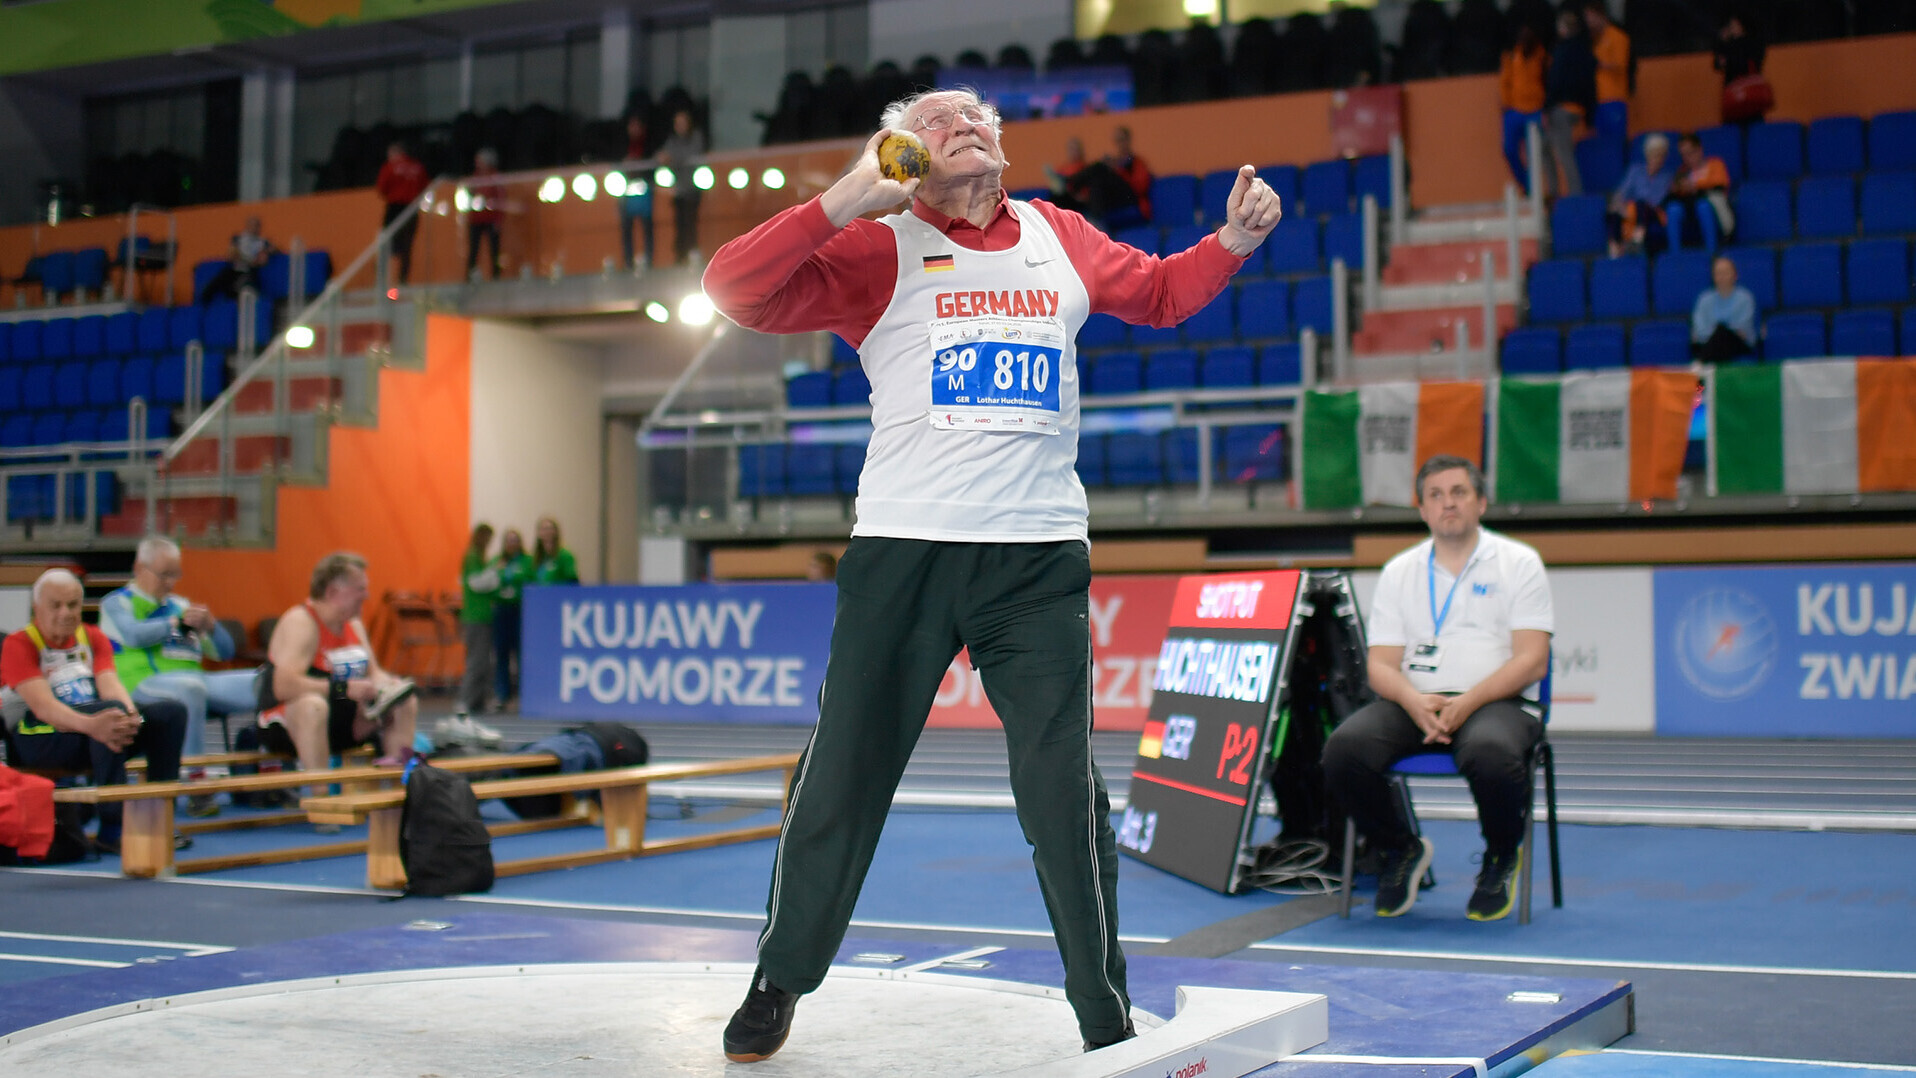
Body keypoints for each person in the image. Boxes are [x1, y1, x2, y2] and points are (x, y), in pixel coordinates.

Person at [701, 86, 1281, 1063]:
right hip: (903, 555)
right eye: (937, 119)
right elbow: (733, 288)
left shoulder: (1056, 234)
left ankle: (1104, 1014)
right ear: (899, 152)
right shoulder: (876, 248)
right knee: (841, 778)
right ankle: (779, 976)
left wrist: (1229, 240)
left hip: (1035, 561)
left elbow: (1163, 293)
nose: (966, 122)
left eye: (978, 115)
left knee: (1063, 793)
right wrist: (851, 193)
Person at [1320, 455, 1553, 922]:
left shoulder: (1519, 562)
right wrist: (1412, 699)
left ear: (1481, 501)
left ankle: (1501, 855)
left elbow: (1532, 658)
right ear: (1423, 509)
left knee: (1488, 752)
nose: (1448, 503)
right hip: (1415, 700)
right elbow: (1381, 667)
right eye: (1436, 495)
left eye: (1459, 492)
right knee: (1342, 751)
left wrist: (1469, 701)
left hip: (1496, 702)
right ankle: (1399, 848)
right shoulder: (1400, 571)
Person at [1, 569, 189, 855]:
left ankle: (157, 818)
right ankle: (112, 828)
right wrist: (95, 724)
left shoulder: (92, 636)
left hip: (93, 730)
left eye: (73, 605)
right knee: (109, 714)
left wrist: (131, 719)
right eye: (56, 605)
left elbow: (110, 685)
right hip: (38, 736)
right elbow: (45, 707)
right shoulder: (19, 644)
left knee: (169, 713)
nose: (66, 612)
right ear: (37, 608)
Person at [98, 536, 257, 818]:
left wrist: (210, 626)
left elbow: (224, 652)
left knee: (264, 681)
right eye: (164, 574)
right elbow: (134, 634)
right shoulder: (116, 604)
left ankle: (263, 769)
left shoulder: (181, 605)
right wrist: (174, 623)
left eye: (175, 574)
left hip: (195, 681)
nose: (170, 583)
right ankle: (196, 783)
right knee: (191, 689)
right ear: (139, 568)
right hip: (141, 686)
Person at [256, 553, 418, 784]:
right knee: (313, 706)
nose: (366, 595)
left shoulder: (353, 625)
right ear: (332, 592)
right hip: (289, 722)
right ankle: (324, 809)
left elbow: (375, 673)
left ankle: (398, 789)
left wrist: (389, 686)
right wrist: (343, 689)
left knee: (404, 701)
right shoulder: (301, 622)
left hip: (344, 721)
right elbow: (284, 686)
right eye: (359, 589)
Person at [1540, 7, 1595, 198]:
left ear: (1563, 29)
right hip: (1578, 108)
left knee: (1564, 154)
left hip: (1561, 109)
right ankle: (1554, 191)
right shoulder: (1585, 50)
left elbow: (1554, 81)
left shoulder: (1561, 51)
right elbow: (1590, 85)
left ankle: (1574, 194)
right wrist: (1589, 117)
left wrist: (1546, 108)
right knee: (1544, 147)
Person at [456, 524, 499, 719]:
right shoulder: (473, 557)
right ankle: (464, 701)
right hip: (475, 617)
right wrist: (494, 572)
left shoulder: (480, 558)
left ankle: (478, 700)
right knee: (476, 661)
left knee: (484, 662)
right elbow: (477, 583)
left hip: (483, 615)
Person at [1605, 133, 1674, 257]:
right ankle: (1614, 250)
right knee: (1614, 211)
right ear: (1647, 154)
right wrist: (1620, 205)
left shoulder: (1667, 177)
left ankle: (1638, 239)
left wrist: (1632, 208)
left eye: (1660, 155)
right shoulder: (1635, 170)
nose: (1657, 159)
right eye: (1654, 154)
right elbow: (1622, 192)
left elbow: (1657, 200)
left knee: (1641, 203)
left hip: (1654, 212)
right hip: (1632, 210)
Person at [1664, 133, 1733, 251]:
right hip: (1688, 208)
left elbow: (1720, 184)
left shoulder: (1715, 164)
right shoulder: (1682, 172)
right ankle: (1675, 254)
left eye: (1690, 153)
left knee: (1703, 206)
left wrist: (1695, 186)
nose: (1687, 158)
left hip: (1711, 206)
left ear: (1699, 150)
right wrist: (1678, 188)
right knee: (1673, 209)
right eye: (1683, 155)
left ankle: (1711, 252)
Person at [1499, 24, 1548, 192]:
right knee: (1509, 150)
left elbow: (1547, 82)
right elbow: (1505, 82)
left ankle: (1535, 189)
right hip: (1514, 110)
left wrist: (1545, 108)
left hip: (1535, 110)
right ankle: (1527, 185)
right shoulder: (1511, 56)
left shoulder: (1542, 57)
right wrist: (1506, 104)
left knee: (1535, 153)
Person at [491, 527, 534, 708]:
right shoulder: (497, 561)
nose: (512, 544)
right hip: (501, 609)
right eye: (508, 540)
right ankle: (502, 695)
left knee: (521, 652)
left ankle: (525, 695)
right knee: (501, 653)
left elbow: (529, 579)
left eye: (515, 540)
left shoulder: (527, 561)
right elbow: (490, 579)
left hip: (519, 609)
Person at [376, 142, 430, 285]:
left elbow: (382, 188)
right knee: (408, 245)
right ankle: (403, 279)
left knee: (386, 240)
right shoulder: (417, 167)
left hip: (395, 207)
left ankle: (383, 279)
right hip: (412, 208)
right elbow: (425, 187)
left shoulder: (390, 167)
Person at [658, 109, 706, 266]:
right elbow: (662, 156)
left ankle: (692, 254)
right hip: (679, 191)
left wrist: (672, 158)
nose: (680, 126)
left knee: (690, 223)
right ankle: (680, 258)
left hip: (692, 189)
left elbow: (691, 155)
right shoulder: (672, 141)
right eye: (677, 124)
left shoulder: (696, 137)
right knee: (679, 224)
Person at [196, 216, 278, 304]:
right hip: (235, 268)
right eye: (251, 225)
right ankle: (204, 306)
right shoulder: (238, 238)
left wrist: (265, 252)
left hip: (250, 270)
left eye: (256, 226)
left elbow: (271, 252)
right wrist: (246, 259)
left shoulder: (263, 241)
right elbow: (231, 254)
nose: (254, 228)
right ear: (247, 226)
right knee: (214, 284)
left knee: (246, 285)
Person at [1692, 256, 1757, 362]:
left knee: (1722, 333)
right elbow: (1700, 330)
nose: (1721, 277)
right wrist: (1716, 333)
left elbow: (1742, 329)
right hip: (1710, 344)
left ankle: (1700, 364)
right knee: (1719, 334)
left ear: (1735, 275)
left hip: (1737, 344)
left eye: (1725, 272)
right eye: (1718, 273)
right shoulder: (1704, 299)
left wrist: (1721, 330)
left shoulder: (1745, 298)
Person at [1584, 1, 1631, 146]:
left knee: (1617, 141)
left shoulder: (1618, 37)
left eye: (1590, 16)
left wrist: (1598, 64)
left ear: (1600, 15)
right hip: (1598, 100)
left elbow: (1620, 64)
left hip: (1614, 98)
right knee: (1602, 144)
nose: (1588, 21)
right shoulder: (1593, 41)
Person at [1714, 15, 1771, 126]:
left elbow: (1742, 63)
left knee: (1754, 125)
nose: (1732, 29)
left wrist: (1729, 59)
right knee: (1732, 127)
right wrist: (1723, 42)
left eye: (1734, 26)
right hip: (1733, 93)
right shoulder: (1728, 44)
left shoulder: (1752, 42)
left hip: (1750, 92)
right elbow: (1717, 63)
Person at [619, 115, 656, 271]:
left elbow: (653, 164)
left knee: (647, 226)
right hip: (625, 191)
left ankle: (648, 259)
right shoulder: (621, 144)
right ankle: (628, 261)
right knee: (627, 227)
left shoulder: (649, 145)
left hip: (645, 189)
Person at [466, 149, 505, 281]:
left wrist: (498, 219)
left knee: (494, 249)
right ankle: (469, 275)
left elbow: (500, 198)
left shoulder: (495, 176)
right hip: (476, 219)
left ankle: (496, 275)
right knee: (473, 249)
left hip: (491, 218)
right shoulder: (475, 176)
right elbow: (470, 195)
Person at [532, 515, 579, 586]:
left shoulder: (565, 555)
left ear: (556, 532)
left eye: (550, 529)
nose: (547, 532)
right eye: (544, 529)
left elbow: (572, 581)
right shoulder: (538, 557)